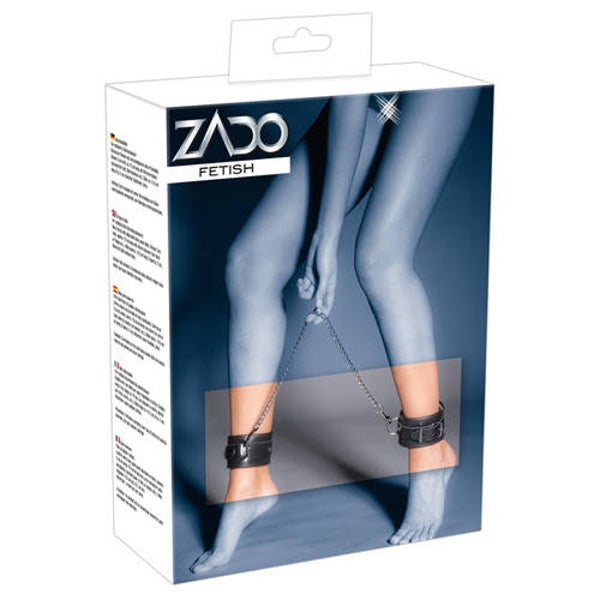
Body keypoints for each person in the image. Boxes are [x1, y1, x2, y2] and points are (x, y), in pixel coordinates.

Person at [190, 86, 481, 573]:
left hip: (433, 73)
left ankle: (431, 455)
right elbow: (349, 94)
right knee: (251, 264)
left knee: (380, 259)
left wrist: (328, 236)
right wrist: (325, 232)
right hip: (361, 87)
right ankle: (248, 480)